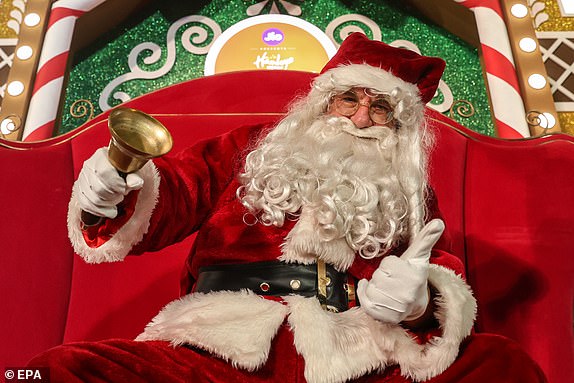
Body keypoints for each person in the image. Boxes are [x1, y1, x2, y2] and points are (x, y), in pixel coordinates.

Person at [28, 33, 547, 383]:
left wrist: (419, 304)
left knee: (502, 364)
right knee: (61, 370)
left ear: (399, 125)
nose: (362, 117)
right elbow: (175, 192)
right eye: (350, 99)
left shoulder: (410, 191)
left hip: (357, 350)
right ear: (323, 103)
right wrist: (116, 190)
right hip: (222, 344)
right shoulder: (252, 147)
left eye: (381, 106)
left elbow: (438, 269)